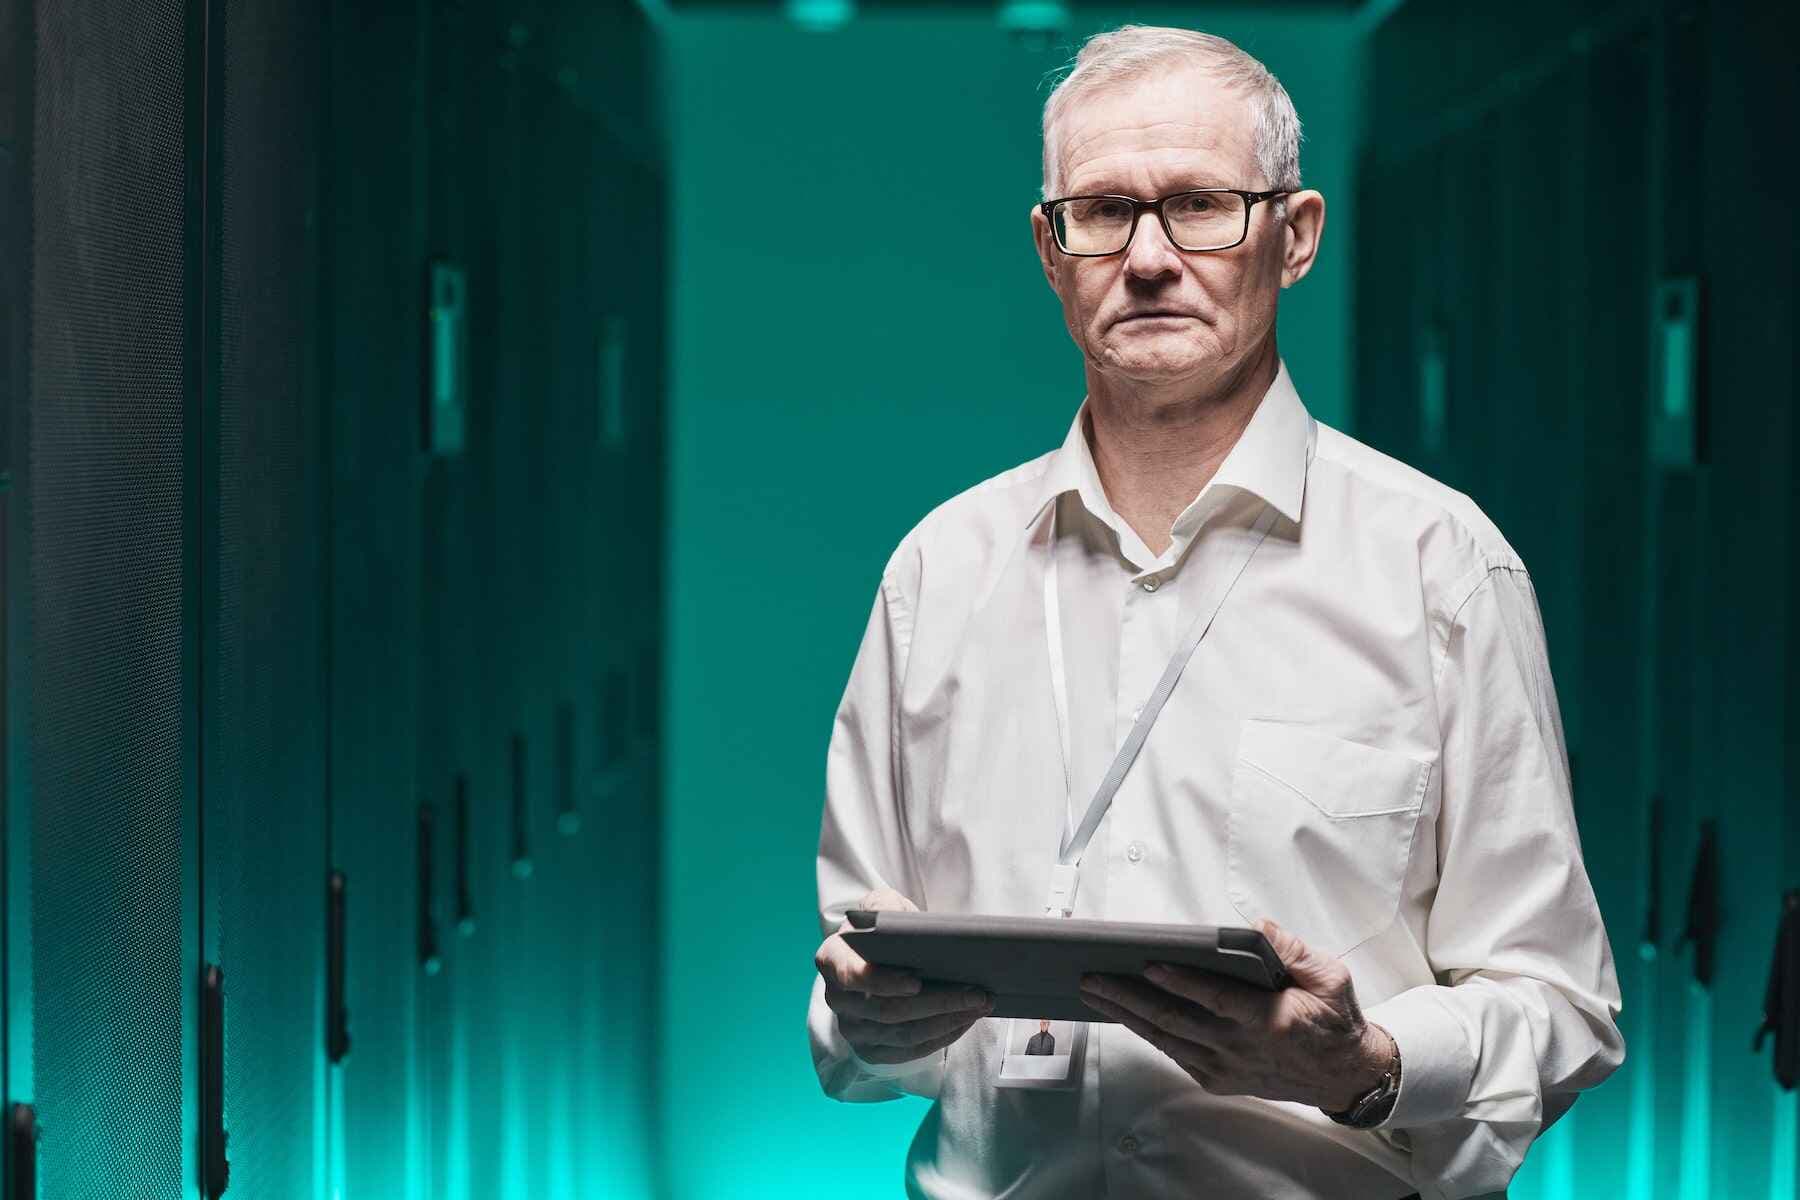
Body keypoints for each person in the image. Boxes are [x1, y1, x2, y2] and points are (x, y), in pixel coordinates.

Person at [808, 23, 1623, 1200]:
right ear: (1051, 250)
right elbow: (846, 1011)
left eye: (1199, 205)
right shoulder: (938, 574)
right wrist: (872, 1023)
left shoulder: (1439, 568)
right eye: (1101, 212)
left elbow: (1562, 1006)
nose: (1146, 257)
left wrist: (1364, 1066)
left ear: (1293, 239)